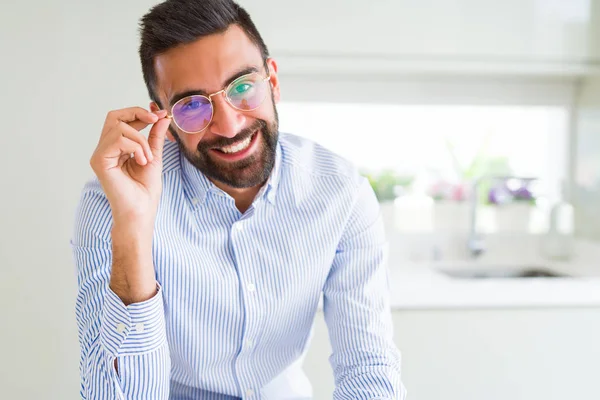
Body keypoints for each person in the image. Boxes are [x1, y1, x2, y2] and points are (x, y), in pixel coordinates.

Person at [71, 0, 406, 398]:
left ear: (273, 82)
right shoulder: (114, 200)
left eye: (243, 86)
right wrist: (132, 227)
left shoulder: (341, 193)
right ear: (164, 120)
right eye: (192, 105)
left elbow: (368, 367)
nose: (229, 124)